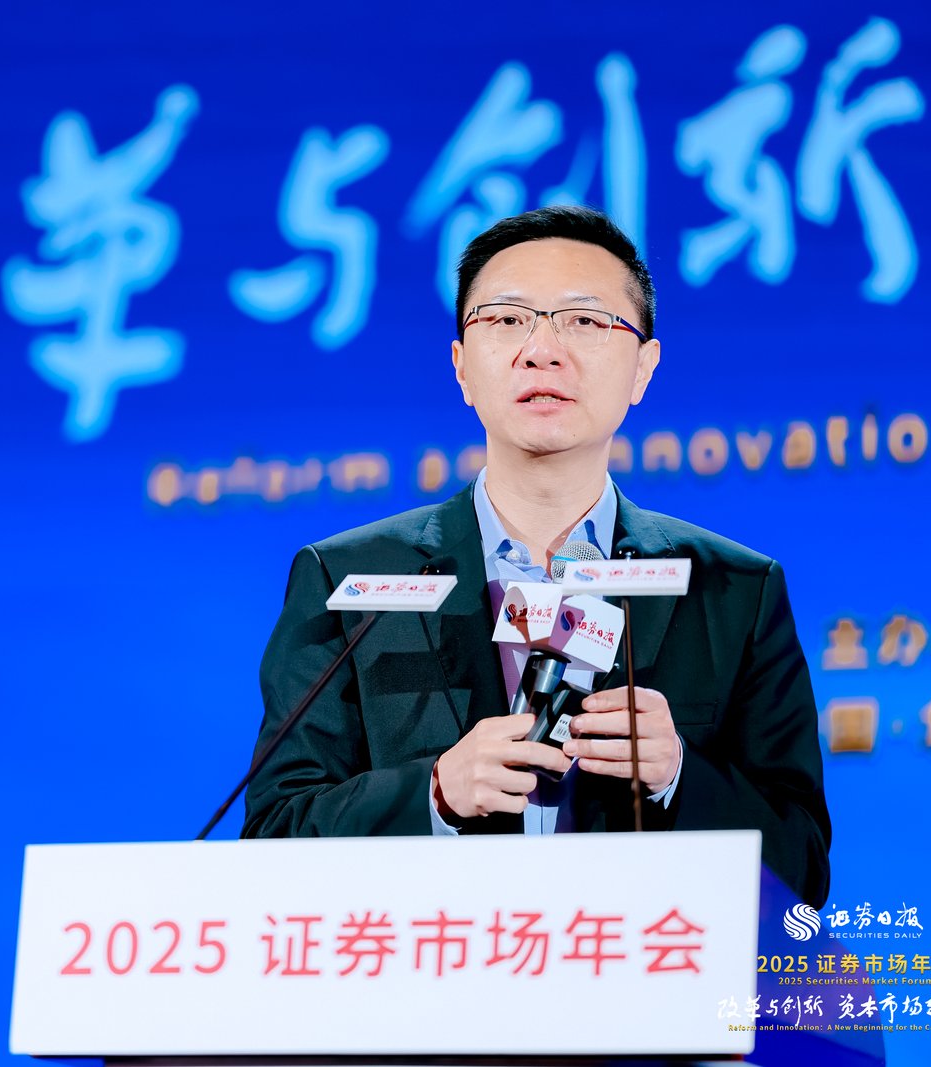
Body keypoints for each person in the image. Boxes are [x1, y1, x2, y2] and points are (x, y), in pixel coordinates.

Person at [241, 205, 831, 908]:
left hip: (643, 971)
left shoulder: (734, 588)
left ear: (643, 369)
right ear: (462, 367)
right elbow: (271, 842)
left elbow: (802, 872)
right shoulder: (349, 579)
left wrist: (678, 776)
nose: (542, 349)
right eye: (507, 318)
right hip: (433, 969)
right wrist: (433, 794)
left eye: (584, 320)